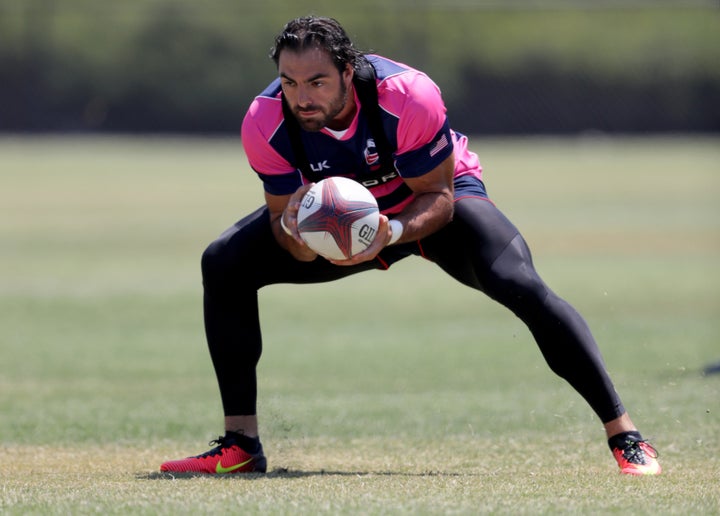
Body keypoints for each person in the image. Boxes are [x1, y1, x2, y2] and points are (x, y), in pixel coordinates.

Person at [159, 15, 661, 476]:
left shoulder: (407, 94)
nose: (302, 97)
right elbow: (280, 219)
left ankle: (626, 435)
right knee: (223, 262)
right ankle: (241, 445)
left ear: (348, 71)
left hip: (428, 206)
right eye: (290, 83)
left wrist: (392, 231)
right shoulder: (265, 122)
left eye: (316, 82)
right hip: (342, 225)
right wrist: (300, 239)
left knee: (517, 282)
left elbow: (440, 197)